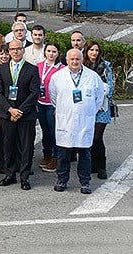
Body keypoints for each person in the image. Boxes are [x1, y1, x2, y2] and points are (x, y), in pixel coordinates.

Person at [49, 49, 105, 194]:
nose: (75, 62)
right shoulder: (57, 77)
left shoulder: (92, 77)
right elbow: (53, 97)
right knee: (63, 154)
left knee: (85, 154)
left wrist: (88, 111)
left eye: (77, 59)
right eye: (72, 59)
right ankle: (62, 180)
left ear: (82, 60)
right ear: (66, 60)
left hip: (84, 121)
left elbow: (99, 99)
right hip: (65, 121)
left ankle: (85, 182)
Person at [0, 39, 40, 190]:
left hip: (26, 115)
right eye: (12, 49)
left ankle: (24, 176)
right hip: (7, 114)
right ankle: (10, 174)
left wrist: (20, 110)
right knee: (8, 145)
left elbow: (34, 93)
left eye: (18, 49)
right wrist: (10, 109)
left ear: (23, 50)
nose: (15, 51)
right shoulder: (0, 69)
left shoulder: (32, 69)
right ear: (8, 51)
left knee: (26, 146)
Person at [84, 40, 114, 180]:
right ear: (87, 51)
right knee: (88, 136)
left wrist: (97, 93)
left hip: (102, 107)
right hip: (86, 107)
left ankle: (101, 166)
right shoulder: (82, 66)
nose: (94, 53)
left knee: (97, 137)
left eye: (96, 50)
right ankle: (91, 164)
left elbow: (110, 87)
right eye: (91, 50)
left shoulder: (106, 66)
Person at [36, 43, 64, 173]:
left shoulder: (62, 69)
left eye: (54, 51)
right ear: (45, 52)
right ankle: (46, 154)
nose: (51, 54)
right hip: (40, 103)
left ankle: (56, 157)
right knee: (45, 131)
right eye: (48, 51)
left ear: (58, 53)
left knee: (54, 132)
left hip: (53, 105)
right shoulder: (39, 66)